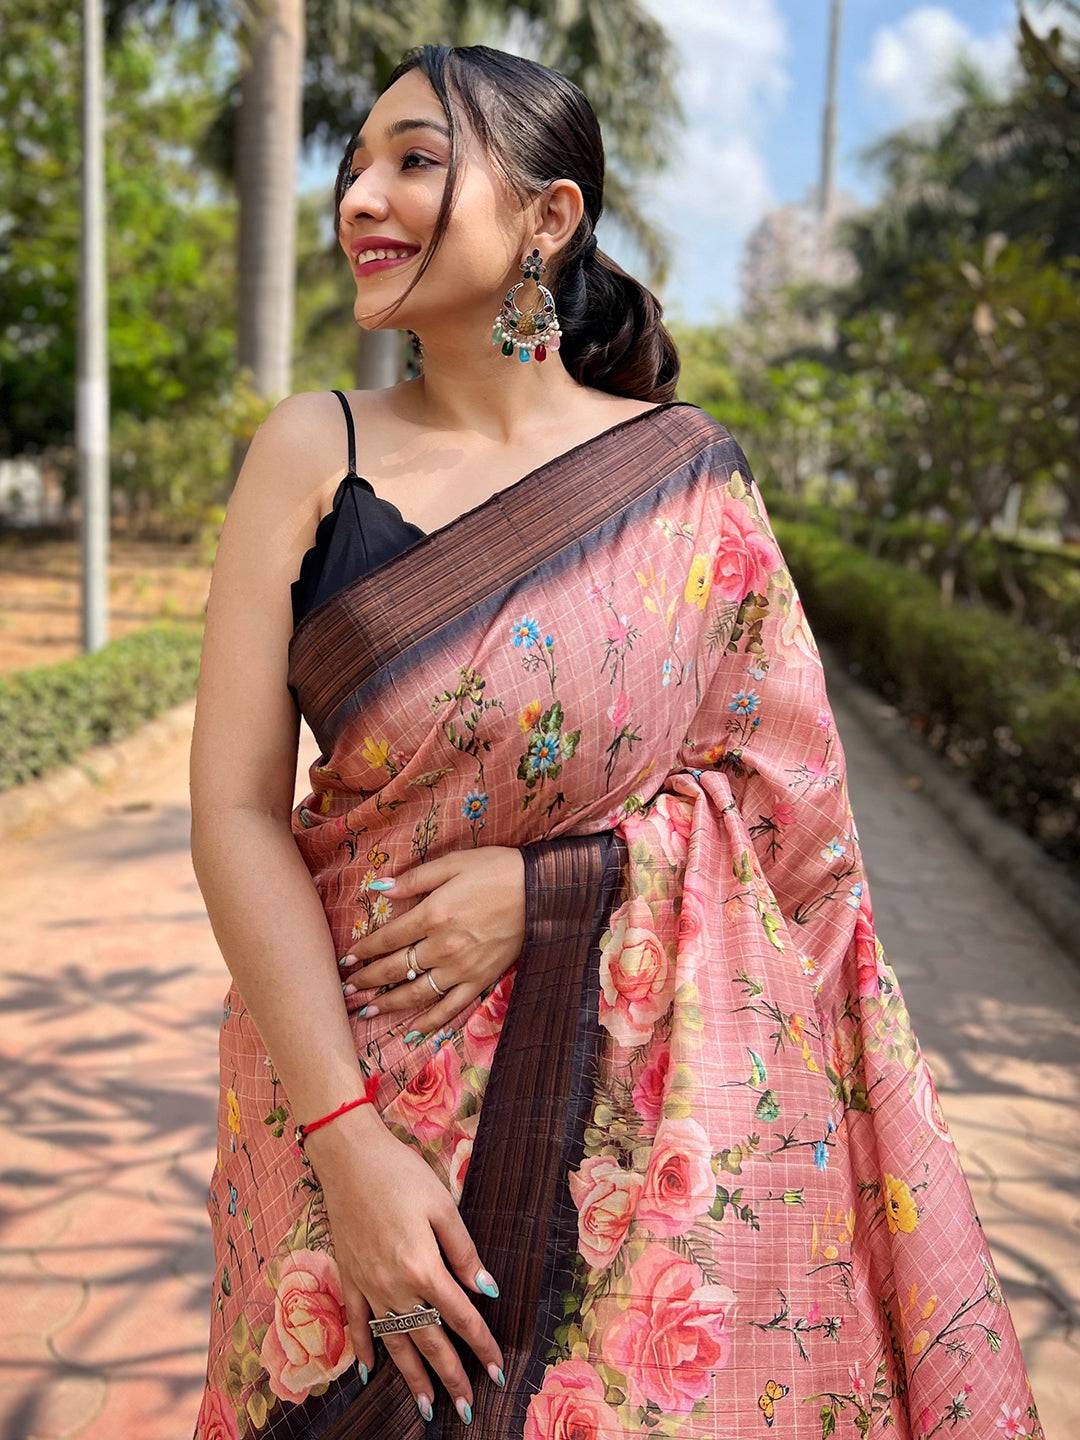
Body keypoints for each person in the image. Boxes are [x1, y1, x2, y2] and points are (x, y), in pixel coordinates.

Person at [188, 41, 1044, 1440]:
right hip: (347, 1095)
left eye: (415, 160)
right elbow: (231, 813)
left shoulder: (682, 484)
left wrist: (559, 889)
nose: (360, 198)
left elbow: (790, 819)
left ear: (548, 217)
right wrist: (348, 1150)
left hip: (634, 1150)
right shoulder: (311, 449)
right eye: (353, 165)